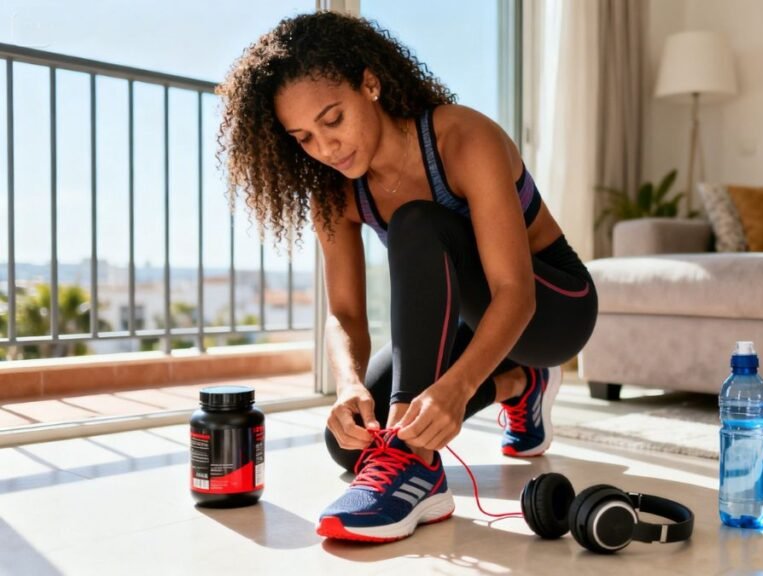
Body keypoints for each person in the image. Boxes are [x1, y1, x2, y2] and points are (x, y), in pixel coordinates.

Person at [218, 11, 597, 543]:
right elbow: (344, 312)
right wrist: (348, 385)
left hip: (551, 308)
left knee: (415, 222)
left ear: (370, 84)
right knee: (351, 442)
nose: (326, 148)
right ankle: (518, 383)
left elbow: (515, 292)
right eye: (303, 137)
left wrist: (458, 387)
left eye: (333, 119)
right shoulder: (335, 191)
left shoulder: (462, 138)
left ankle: (417, 465)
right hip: (475, 322)